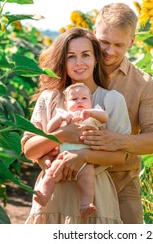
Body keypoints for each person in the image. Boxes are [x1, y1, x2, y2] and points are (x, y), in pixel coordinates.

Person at [42, 3, 153, 224]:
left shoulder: (143, 83)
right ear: (93, 33)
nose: (110, 51)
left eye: (119, 44)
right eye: (104, 42)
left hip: (121, 181)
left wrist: (117, 141)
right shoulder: (73, 75)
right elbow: (41, 131)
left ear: (132, 41)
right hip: (68, 180)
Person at [22, 27, 131, 224]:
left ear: (96, 59)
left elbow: (121, 156)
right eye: (71, 56)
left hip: (95, 194)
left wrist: (83, 156)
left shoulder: (112, 100)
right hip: (52, 198)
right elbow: (29, 151)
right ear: (63, 61)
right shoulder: (49, 98)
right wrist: (63, 134)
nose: (79, 63)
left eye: (86, 55)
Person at [33, 83, 109, 219]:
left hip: (85, 161)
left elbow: (105, 117)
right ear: (66, 103)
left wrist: (90, 112)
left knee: (87, 181)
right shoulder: (64, 115)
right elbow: (49, 130)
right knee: (51, 174)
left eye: (84, 98)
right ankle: (44, 195)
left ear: (91, 101)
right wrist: (60, 119)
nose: (80, 101)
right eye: (74, 99)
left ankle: (86, 205)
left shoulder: (93, 116)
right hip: (62, 157)